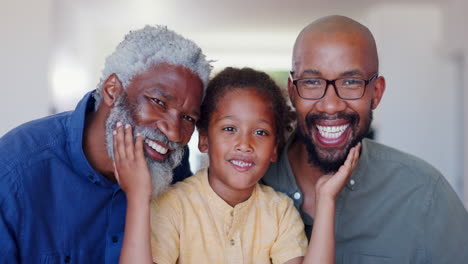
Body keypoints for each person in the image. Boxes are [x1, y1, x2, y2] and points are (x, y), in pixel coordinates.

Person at [261, 15, 468, 263]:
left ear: (376, 93)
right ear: (293, 92)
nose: (330, 105)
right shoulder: (248, 182)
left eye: (350, 82)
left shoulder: (425, 195)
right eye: (312, 82)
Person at [0, 25, 211, 263]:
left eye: (188, 118)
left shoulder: (171, 172)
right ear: (112, 90)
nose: (173, 133)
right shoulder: (13, 171)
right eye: (159, 102)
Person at [112, 67, 361, 263]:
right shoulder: (173, 206)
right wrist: (137, 197)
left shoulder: (280, 211)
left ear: (275, 149)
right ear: (205, 139)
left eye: (261, 132)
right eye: (230, 129)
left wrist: (326, 199)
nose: (244, 144)